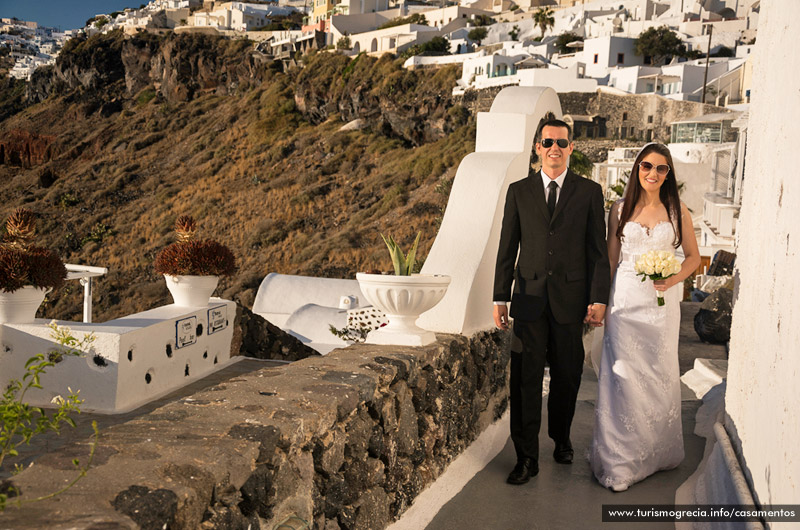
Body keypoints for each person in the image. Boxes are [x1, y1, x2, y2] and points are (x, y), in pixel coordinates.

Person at [493, 119, 610, 485]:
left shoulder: (590, 192)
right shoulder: (518, 191)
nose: (554, 147)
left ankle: (561, 438)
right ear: (538, 148)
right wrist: (500, 296)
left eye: (561, 141)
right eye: (548, 142)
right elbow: (507, 246)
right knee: (525, 381)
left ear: (571, 147)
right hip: (527, 301)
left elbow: (598, 253)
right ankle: (526, 457)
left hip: (571, 302)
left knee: (567, 377)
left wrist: (598, 299)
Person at [588, 142, 700, 492]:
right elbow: (610, 260)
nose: (653, 173)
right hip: (624, 303)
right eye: (647, 166)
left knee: (658, 375)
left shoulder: (678, 210)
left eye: (661, 168)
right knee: (622, 377)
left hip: (662, 307)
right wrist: (600, 304)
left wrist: (673, 279)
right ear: (637, 169)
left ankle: (657, 452)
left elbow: (693, 258)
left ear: (669, 174)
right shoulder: (619, 210)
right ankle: (618, 460)